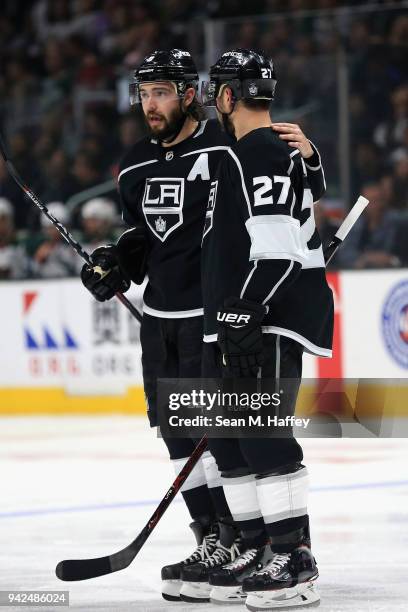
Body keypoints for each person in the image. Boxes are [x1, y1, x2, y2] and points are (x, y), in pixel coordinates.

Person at [80, 48, 328, 604]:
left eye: (161, 92)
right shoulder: (137, 162)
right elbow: (145, 237)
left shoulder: (231, 148)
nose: (151, 103)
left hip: (222, 315)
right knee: (188, 435)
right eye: (143, 93)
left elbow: (292, 200)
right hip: (172, 320)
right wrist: (116, 261)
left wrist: (311, 160)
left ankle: (269, 544)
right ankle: (219, 539)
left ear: (197, 93)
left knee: (249, 436)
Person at [194, 49, 334, 609]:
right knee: (235, 440)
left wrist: (243, 310)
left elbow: (277, 251)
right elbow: (301, 202)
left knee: (262, 437)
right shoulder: (257, 149)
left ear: (228, 96)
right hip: (243, 318)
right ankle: (257, 548)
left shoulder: (258, 149)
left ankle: (293, 557)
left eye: (217, 95)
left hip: (265, 320)